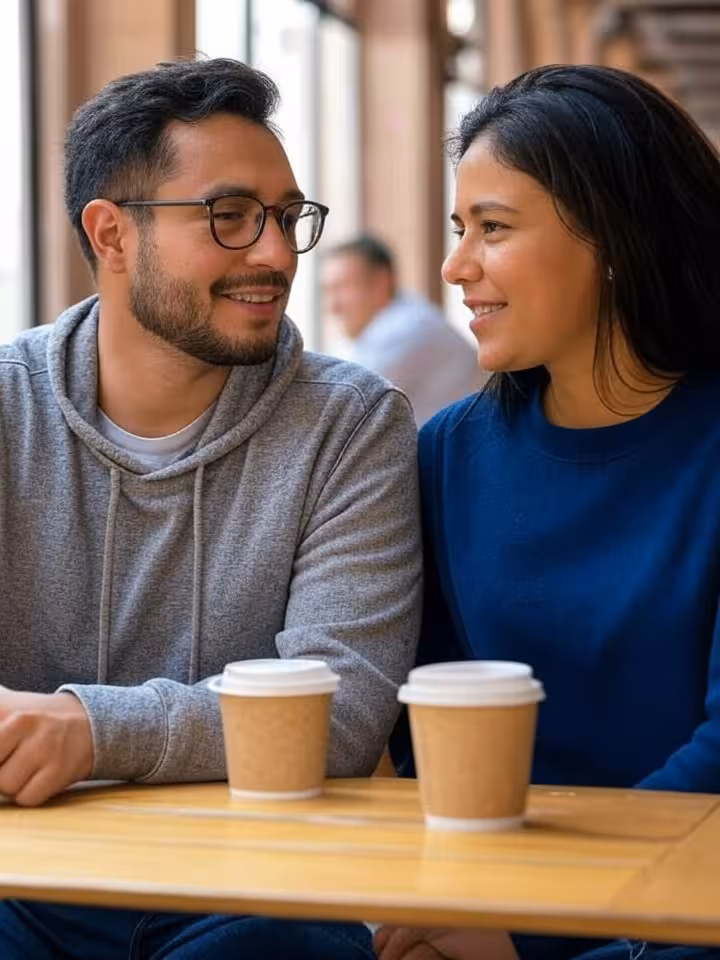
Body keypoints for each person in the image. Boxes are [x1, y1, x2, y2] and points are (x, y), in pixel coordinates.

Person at [0, 57, 422, 959]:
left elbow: (342, 710)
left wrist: (91, 728)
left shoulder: (351, 424)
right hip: (22, 882)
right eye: (229, 217)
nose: (273, 254)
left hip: (257, 896)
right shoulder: (6, 409)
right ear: (111, 235)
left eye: (285, 217)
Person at [378, 65, 720, 960]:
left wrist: (530, 927)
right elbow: (426, 724)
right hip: (485, 899)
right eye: (460, 230)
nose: (455, 268)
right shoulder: (446, 454)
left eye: (493, 229)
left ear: (616, 236)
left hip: (682, 911)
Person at [322, 234, 483, 425]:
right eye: (328, 291)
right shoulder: (397, 322)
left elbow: (339, 406)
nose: (332, 306)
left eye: (342, 288)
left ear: (380, 282)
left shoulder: (407, 328)